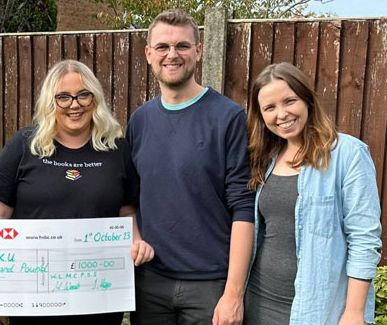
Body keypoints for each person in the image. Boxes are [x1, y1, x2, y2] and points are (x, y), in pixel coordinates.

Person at [0, 59, 154, 325]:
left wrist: (136, 242)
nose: (74, 105)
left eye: (83, 95)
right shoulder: (24, 146)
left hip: (98, 301)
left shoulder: (117, 150)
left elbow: (127, 213)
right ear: (50, 103)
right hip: (33, 299)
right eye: (63, 97)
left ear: (95, 99)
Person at [126, 9, 255, 325]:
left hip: (211, 286)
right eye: (162, 47)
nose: (172, 55)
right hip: (149, 282)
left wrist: (234, 294)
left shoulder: (229, 118)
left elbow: (244, 208)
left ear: (198, 51)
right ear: (148, 54)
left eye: (182, 46)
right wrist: (134, 238)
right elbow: (128, 197)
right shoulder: (139, 121)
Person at [243, 62, 382, 324]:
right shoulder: (265, 158)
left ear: (307, 100)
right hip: (257, 303)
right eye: (270, 108)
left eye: (289, 101)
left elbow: (364, 238)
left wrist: (353, 312)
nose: (282, 114)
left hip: (317, 310)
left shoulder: (348, 154)